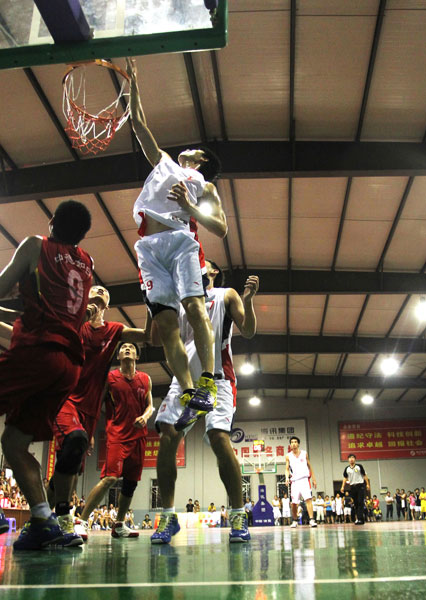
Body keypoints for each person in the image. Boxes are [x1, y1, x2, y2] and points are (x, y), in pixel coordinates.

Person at [126, 57, 227, 429]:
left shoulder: (206, 185)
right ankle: (189, 393)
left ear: (201, 160)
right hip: (150, 248)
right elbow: (138, 124)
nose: (189, 148)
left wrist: (191, 207)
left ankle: (208, 383)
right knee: (167, 326)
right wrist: (133, 83)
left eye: (196, 149)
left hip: (182, 242)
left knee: (195, 309)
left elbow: (221, 228)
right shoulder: (164, 162)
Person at [0, 200, 94, 550]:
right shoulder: (87, 263)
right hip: (68, 366)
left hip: (39, 351)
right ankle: (43, 519)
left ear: (52, 221)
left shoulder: (35, 245)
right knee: (14, 443)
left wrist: (17, 285)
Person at [150, 260, 258, 544]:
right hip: (183, 380)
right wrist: (155, 304)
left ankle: (238, 514)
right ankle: (168, 516)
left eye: (202, 261)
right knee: (168, 436)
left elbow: (248, 331)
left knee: (219, 438)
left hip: (219, 379)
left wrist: (248, 301)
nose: (194, 263)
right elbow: (154, 339)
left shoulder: (225, 295)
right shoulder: (179, 301)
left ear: (213, 272)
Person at [48, 286, 149, 541]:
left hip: (90, 412)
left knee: (72, 468)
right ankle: (61, 518)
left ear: (108, 304)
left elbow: (149, 335)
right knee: (74, 449)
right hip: (66, 398)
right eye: (94, 289)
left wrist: (153, 303)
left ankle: (43, 517)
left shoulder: (114, 331)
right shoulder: (74, 323)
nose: (99, 291)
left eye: (103, 292)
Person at [78, 342, 153, 539]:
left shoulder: (145, 379)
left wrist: (145, 416)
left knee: (131, 483)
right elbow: (95, 406)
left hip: (139, 438)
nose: (127, 348)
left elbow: (150, 405)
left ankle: (119, 525)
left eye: (132, 347)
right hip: (117, 436)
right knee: (110, 478)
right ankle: (81, 521)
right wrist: (90, 432)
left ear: (137, 356)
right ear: (118, 356)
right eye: (123, 347)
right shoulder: (109, 378)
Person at [286, 436, 317, 528]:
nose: (294, 443)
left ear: (298, 444)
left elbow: (310, 466)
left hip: (304, 480)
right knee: (294, 503)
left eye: (295, 442)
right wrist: (287, 478)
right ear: (290, 445)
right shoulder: (288, 456)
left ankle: (311, 520)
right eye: (292, 442)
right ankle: (295, 520)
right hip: (294, 482)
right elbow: (287, 469)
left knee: (308, 499)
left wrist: (314, 479)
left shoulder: (304, 453)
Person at [341, 454, 370, 526]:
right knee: (356, 503)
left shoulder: (359, 466)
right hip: (352, 487)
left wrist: (367, 484)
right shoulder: (347, 469)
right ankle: (360, 519)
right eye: (350, 458)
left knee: (360, 502)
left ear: (355, 459)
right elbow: (345, 478)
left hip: (360, 486)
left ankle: (360, 519)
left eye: (353, 458)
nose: (351, 459)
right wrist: (342, 487)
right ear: (348, 460)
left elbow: (364, 475)